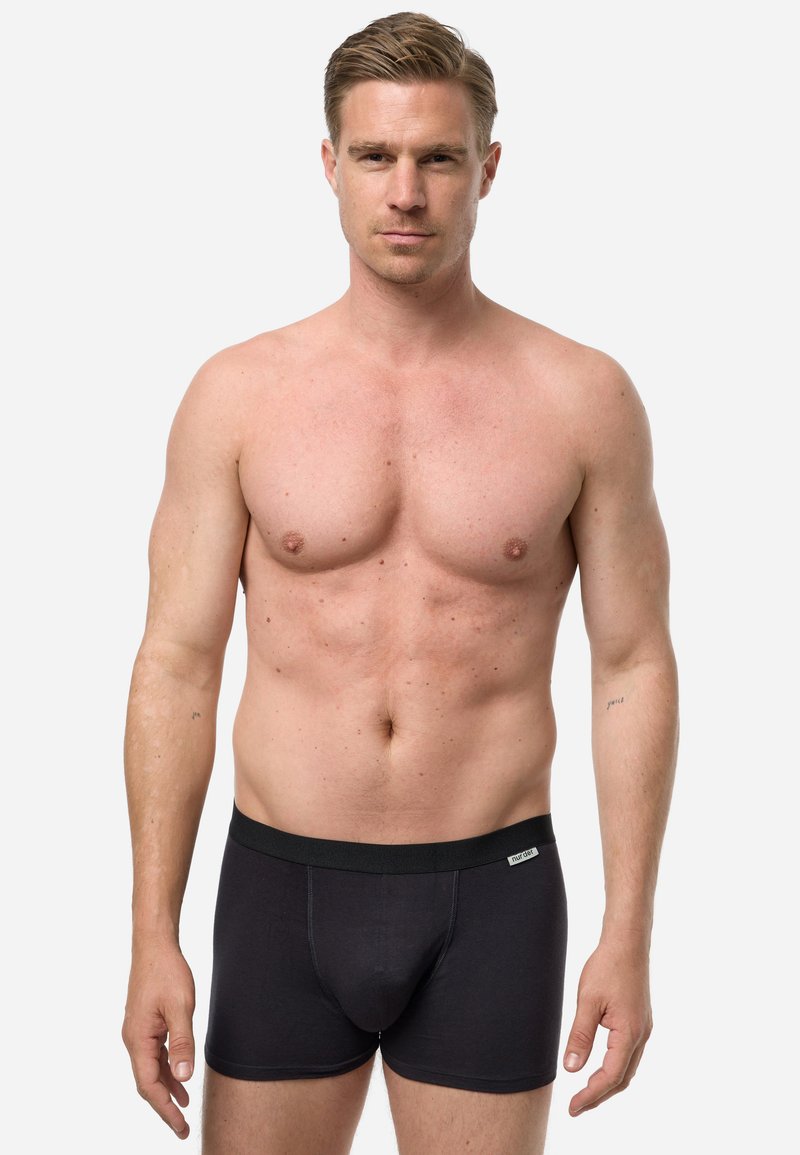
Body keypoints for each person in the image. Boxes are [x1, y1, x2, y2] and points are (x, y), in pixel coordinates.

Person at [121, 11, 679, 1154]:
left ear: (488, 168)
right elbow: (175, 666)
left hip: (494, 889)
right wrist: (150, 932)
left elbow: (630, 663)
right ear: (329, 165)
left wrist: (628, 931)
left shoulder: (582, 398)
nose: (407, 192)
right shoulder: (238, 396)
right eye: (375, 156)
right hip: (279, 884)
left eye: (438, 158)